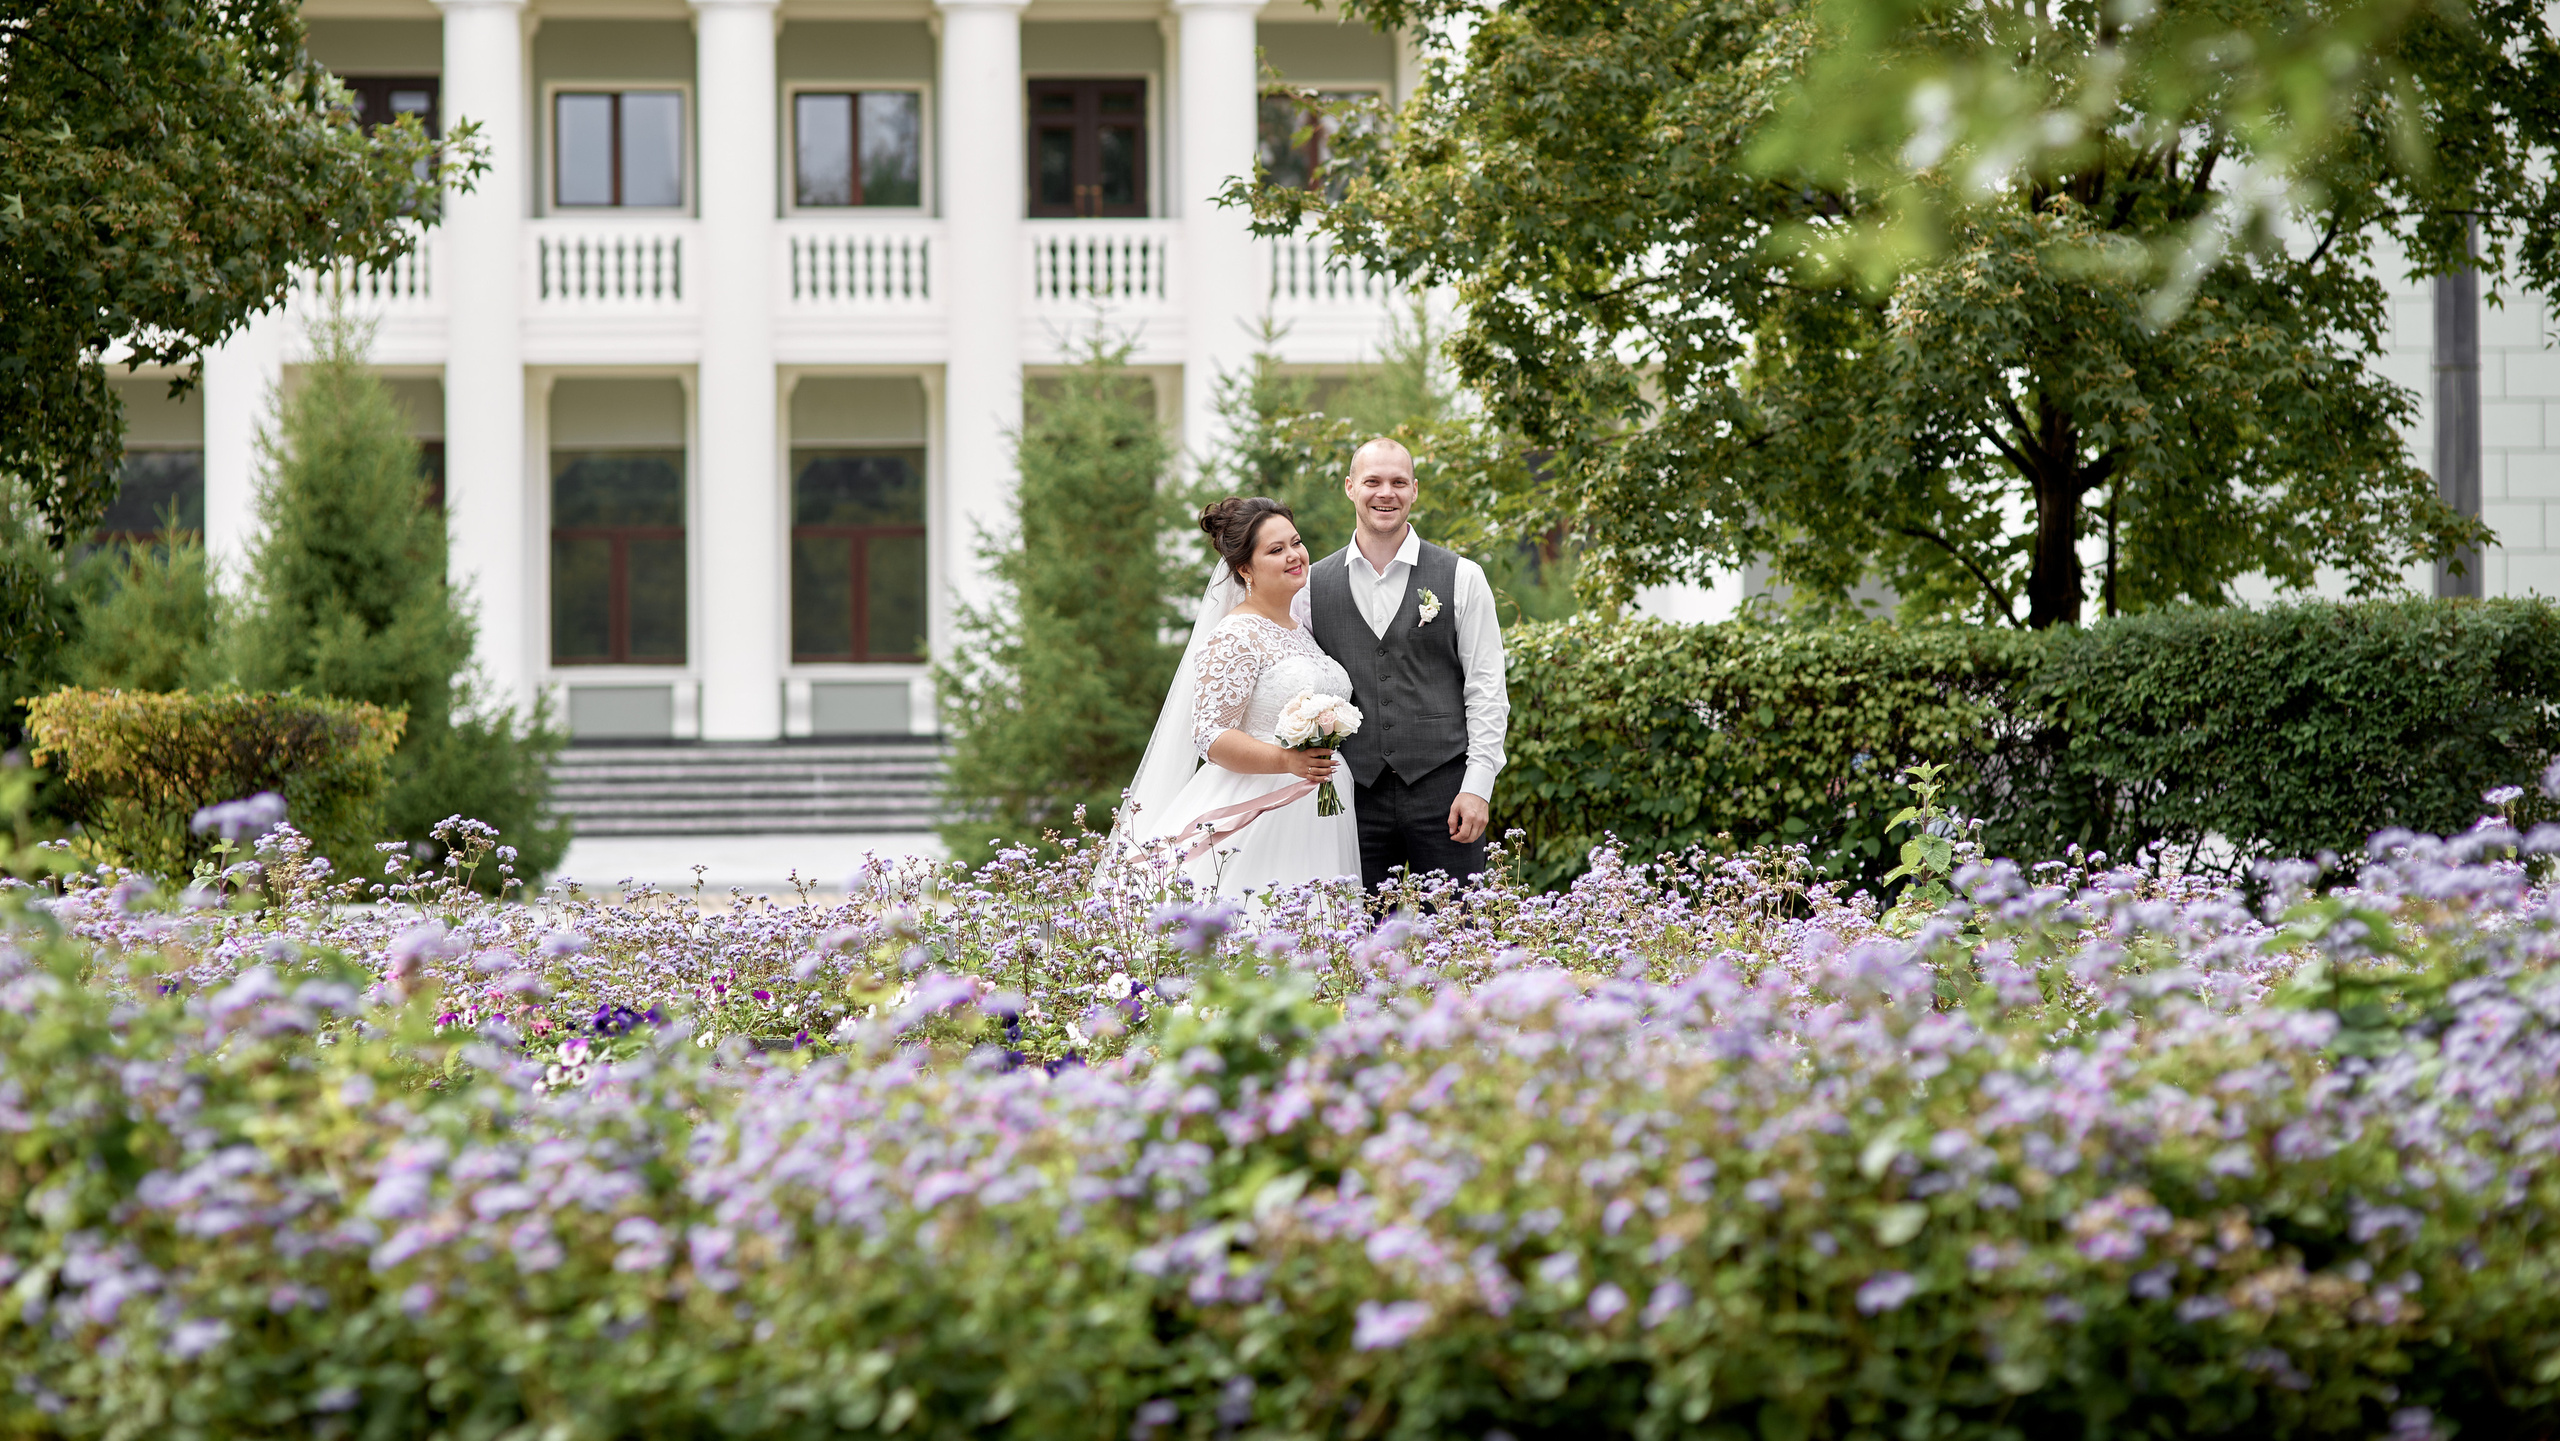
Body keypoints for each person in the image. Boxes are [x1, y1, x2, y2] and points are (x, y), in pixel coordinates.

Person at [1292, 436, 1510, 900]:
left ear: (1415, 489)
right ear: (1350, 487)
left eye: (1398, 482)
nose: (1385, 493)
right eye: (1372, 481)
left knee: (1458, 932)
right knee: (1354, 934)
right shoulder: (1310, 587)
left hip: (1446, 791)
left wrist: (1478, 787)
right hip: (1352, 794)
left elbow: (1487, 690)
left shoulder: (1462, 576)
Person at [1118, 497, 1362, 900]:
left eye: (1296, 542)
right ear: (1245, 569)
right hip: (1259, 806)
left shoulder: (1300, 628)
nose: (1294, 555)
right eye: (1276, 550)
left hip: (1320, 807)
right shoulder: (1236, 635)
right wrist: (1287, 761)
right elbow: (1210, 735)